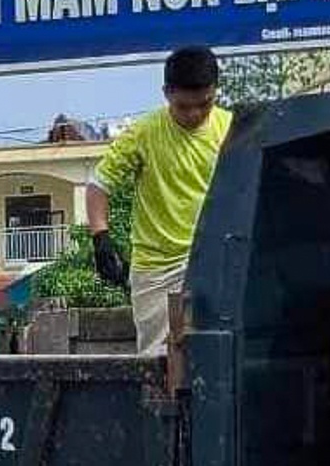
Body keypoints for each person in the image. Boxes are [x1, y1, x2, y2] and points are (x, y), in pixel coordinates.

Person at [88, 46, 233, 356]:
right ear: (166, 93)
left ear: (215, 92)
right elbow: (99, 184)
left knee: (216, 355)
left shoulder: (231, 130)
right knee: (159, 361)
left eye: (204, 105)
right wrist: (101, 238)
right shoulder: (144, 133)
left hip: (213, 259)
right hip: (157, 268)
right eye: (183, 106)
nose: (194, 114)